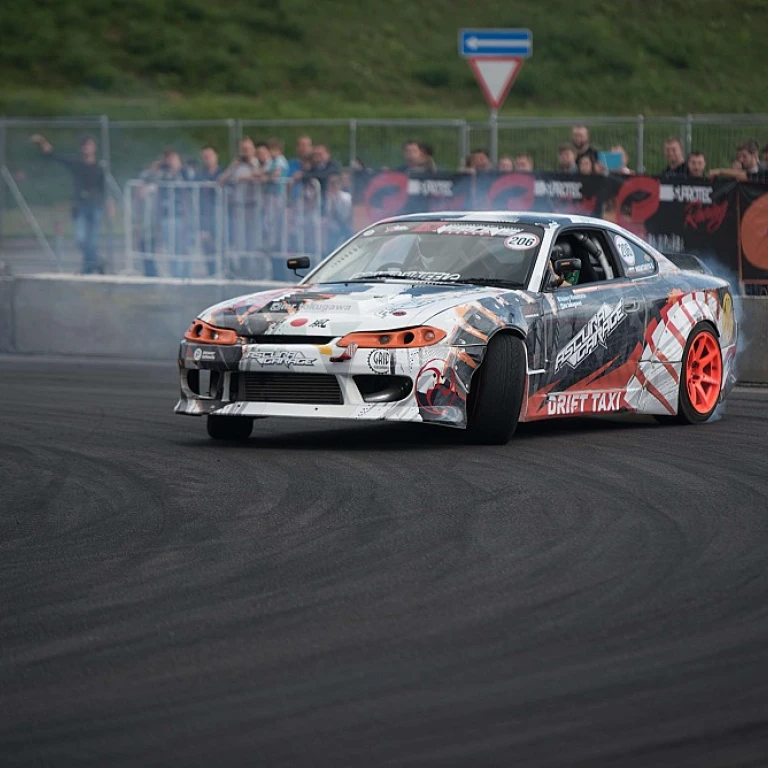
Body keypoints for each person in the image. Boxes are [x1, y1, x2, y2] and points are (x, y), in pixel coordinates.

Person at [29, 133, 114, 274]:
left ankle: (87, 269)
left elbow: (104, 189)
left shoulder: (99, 168)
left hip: (95, 206)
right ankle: (97, 262)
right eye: (84, 145)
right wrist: (43, 141)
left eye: (89, 145)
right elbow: (54, 156)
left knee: (92, 241)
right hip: (80, 206)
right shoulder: (76, 164)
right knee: (80, 239)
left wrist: (110, 206)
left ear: (94, 148)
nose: (87, 148)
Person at [198, 145, 223, 276]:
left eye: (209, 156)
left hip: (222, 213)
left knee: (221, 242)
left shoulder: (222, 172)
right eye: (205, 157)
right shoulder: (200, 175)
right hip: (205, 213)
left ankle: (223, 270)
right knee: (206, 241)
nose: (207, 159)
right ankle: (211, 270)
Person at [323, 173, 353, 252]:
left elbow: (349, 213)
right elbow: (329, 214)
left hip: (345, 227)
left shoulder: (346, 198)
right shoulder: (329, 198)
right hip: (334, 229)